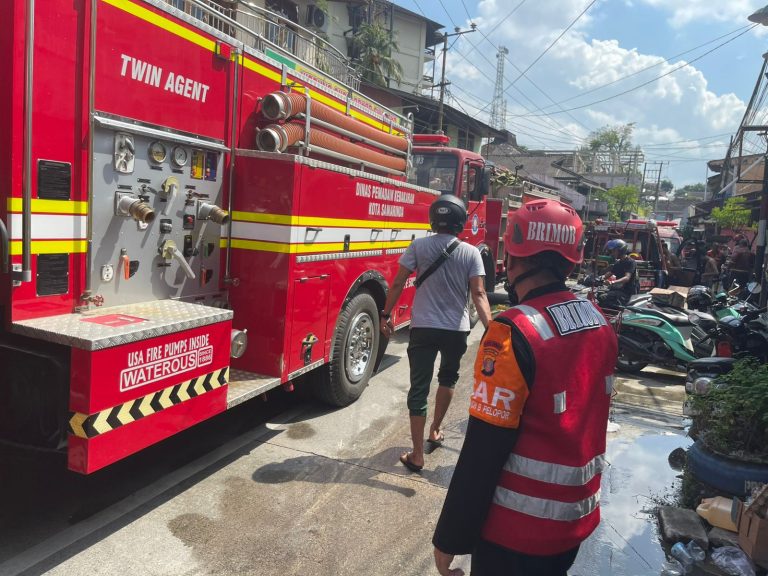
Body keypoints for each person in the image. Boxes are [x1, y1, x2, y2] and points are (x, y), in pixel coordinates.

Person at [432, 199, 618, 576]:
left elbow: (483, 448)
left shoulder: (512, 331)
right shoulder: (598, 321)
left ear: (512, 259)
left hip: (516, 528)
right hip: (574, 521)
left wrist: (450, 539)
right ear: (571, 261)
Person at [380, 194, 492, 473]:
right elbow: (478, 293)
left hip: (423, 327)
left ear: (433, 219)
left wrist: (385, 314)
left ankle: (418, 454)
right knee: (448, 378)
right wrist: (493, 330)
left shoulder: (418, 246)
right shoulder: (471, 252)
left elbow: (396, 284)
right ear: (461, 221)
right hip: (456, 329)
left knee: (419, 388)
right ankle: (436, 430)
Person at [599, 238, 637, 308]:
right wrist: (600, 278)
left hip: (626, 293)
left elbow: (627, 278)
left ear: (621, 251)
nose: (612, 253)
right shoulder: (618, 263)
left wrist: (612, 282)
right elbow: (609, 273)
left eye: (614, 251)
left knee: (603, 298)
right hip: (617, 290)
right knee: (598, 294)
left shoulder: (631, 262)